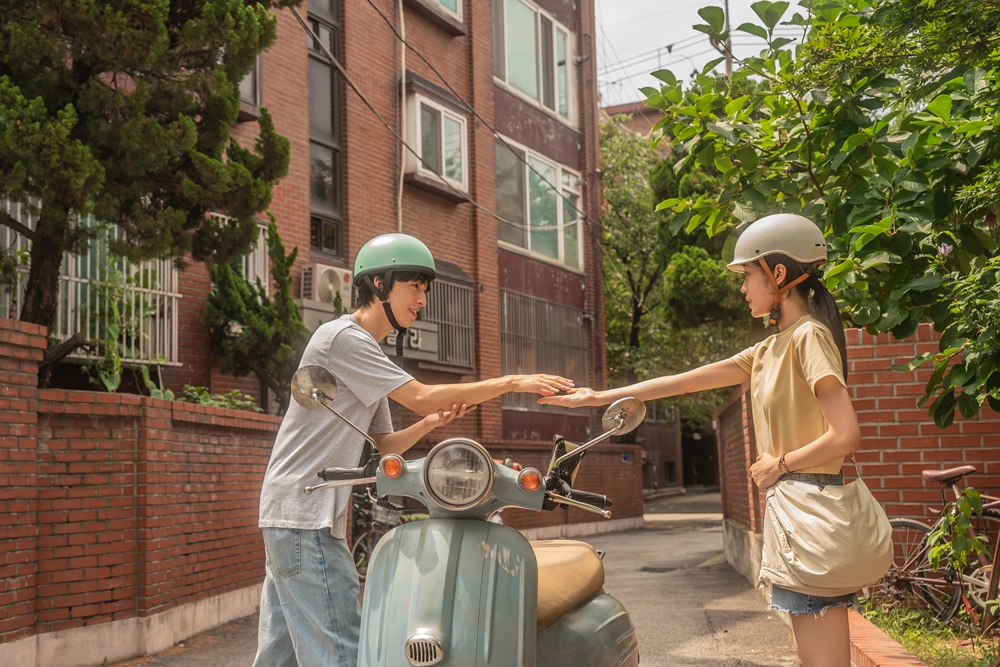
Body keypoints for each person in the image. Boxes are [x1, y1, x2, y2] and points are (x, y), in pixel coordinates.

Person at [539, 213, 862, 667]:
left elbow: (845, 434)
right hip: (792, 511)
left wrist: (780, 463)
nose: (743, 287)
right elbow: (684, 381)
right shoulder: (772, 346)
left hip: (809, 505)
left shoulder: (808, 337)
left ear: (780, 274)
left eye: (748, 274)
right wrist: (598, 397)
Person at [253, 233, 574, 667]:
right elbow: (421, 394)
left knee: (280, 657)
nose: (423, 299)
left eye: (426, 288)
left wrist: (429, 424)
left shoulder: (367, 353)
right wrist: (513, 383)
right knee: (342, 654)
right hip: (303, 519)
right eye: (415, 286)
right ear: (380, 285)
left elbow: (383, 445)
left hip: (294, 516)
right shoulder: (342, 338)